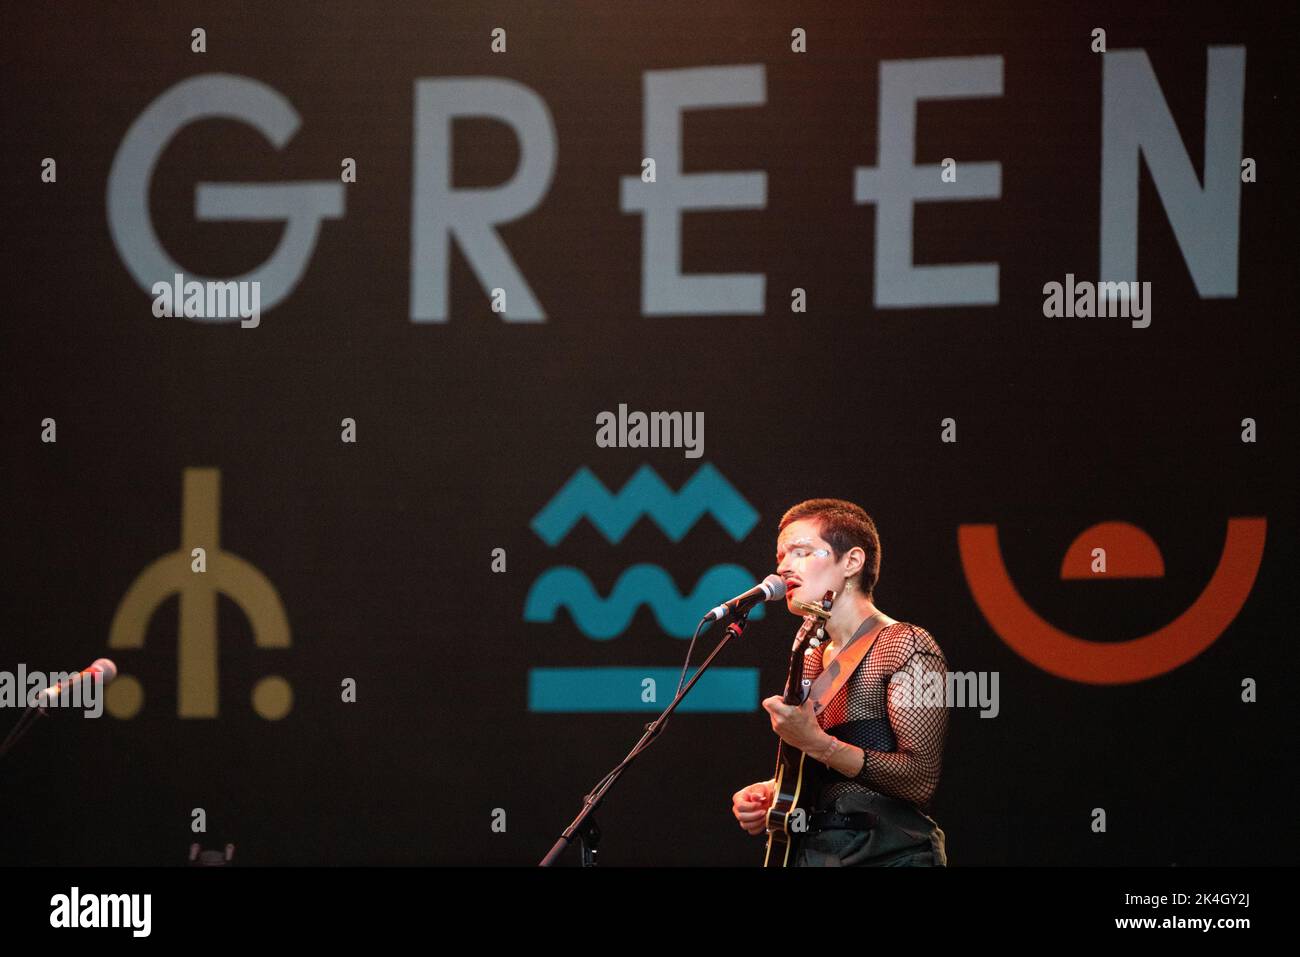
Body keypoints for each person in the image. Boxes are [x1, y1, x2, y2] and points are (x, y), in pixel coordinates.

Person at [731, 498, 950, 866]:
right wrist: (778, 793)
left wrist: (819, 743)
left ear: (851, 562)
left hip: (888, 855)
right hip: (819, 855)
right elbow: (826, 770)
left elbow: (919, 779)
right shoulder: (812, 657)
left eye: (801, 552)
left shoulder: (905, 644)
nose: (784, 567)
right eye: (781, 556)